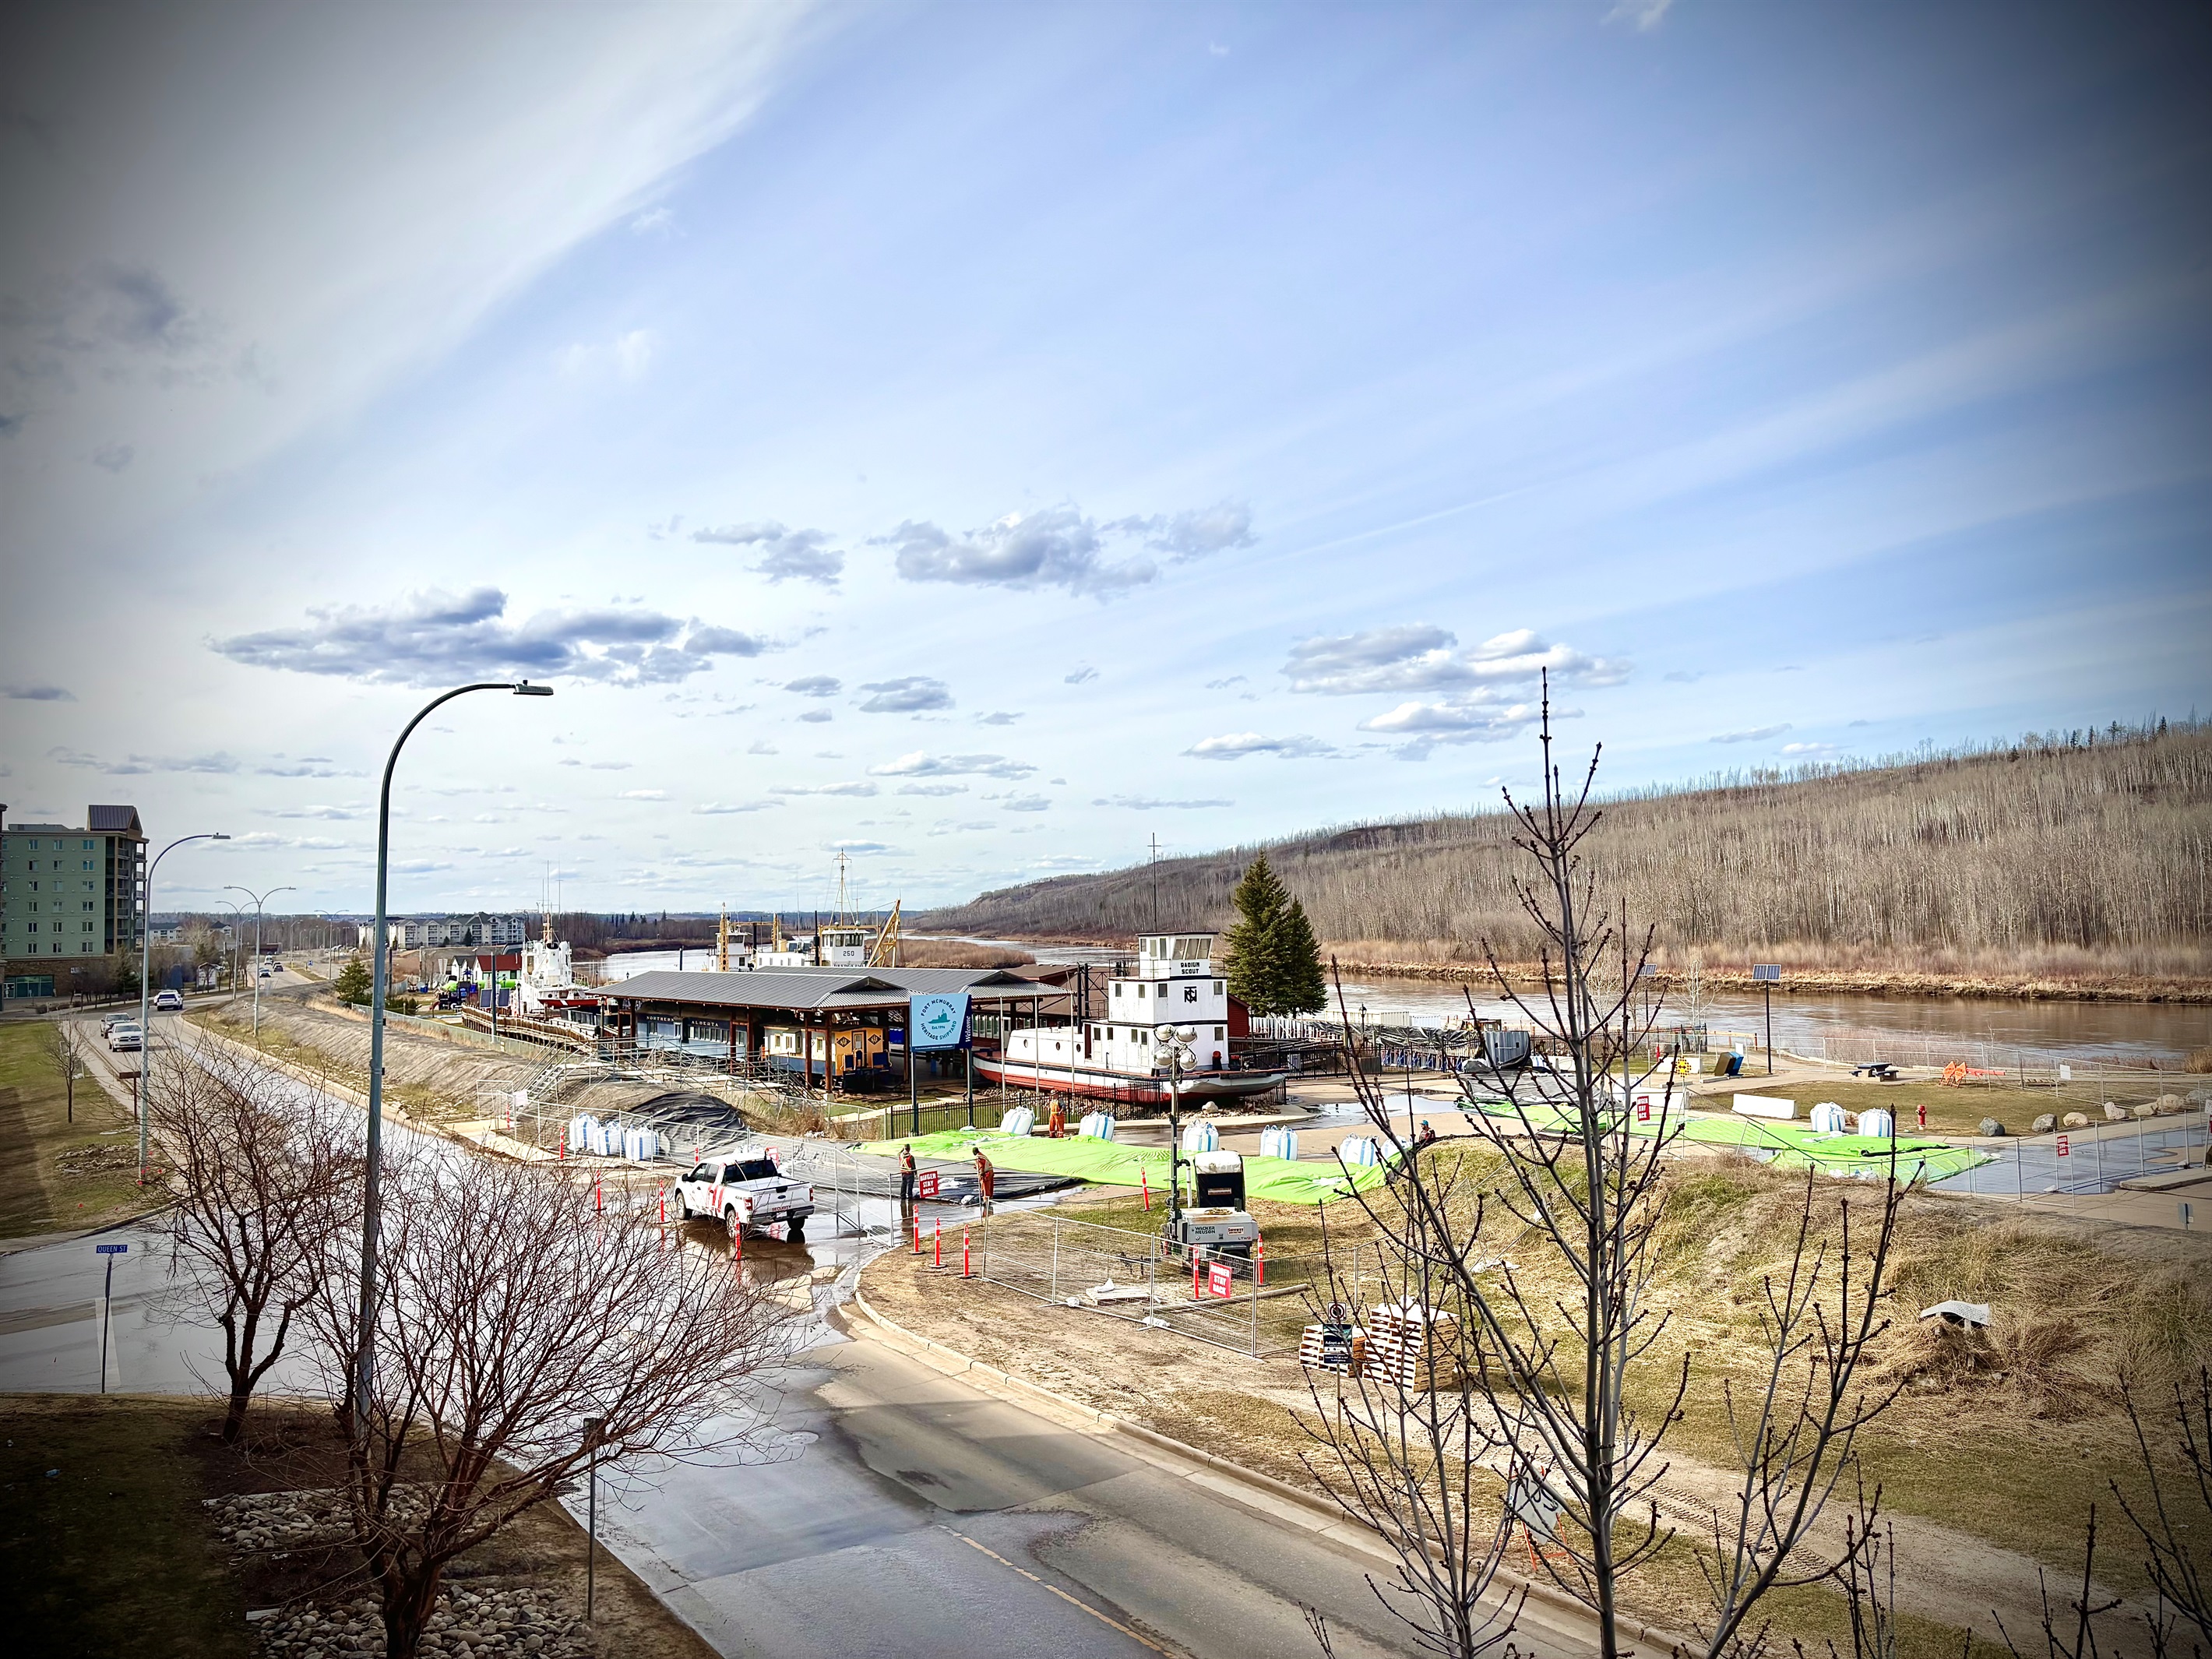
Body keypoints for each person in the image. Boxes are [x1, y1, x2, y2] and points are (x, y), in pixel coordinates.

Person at [973, 1147, 996, 1213]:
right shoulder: (983, 1155)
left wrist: (981, 1174)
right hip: (990, 1172)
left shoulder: (978, 1158)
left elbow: (981, 1167)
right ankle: (989, 1199)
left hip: (986, 1174)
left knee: (985, 1187)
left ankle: (986, 1201)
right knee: (989, 1186)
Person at [898, 1143, 917, 1210]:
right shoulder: (911, 1157)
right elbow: (913, 1166)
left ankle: (902, 1196)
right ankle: (910, 1197)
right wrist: (916, 1173)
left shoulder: (901, 1155)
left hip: (903, 1173)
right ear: (909, 1149)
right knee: (910, 1186)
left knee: (903, 1185)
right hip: (909, 1173)